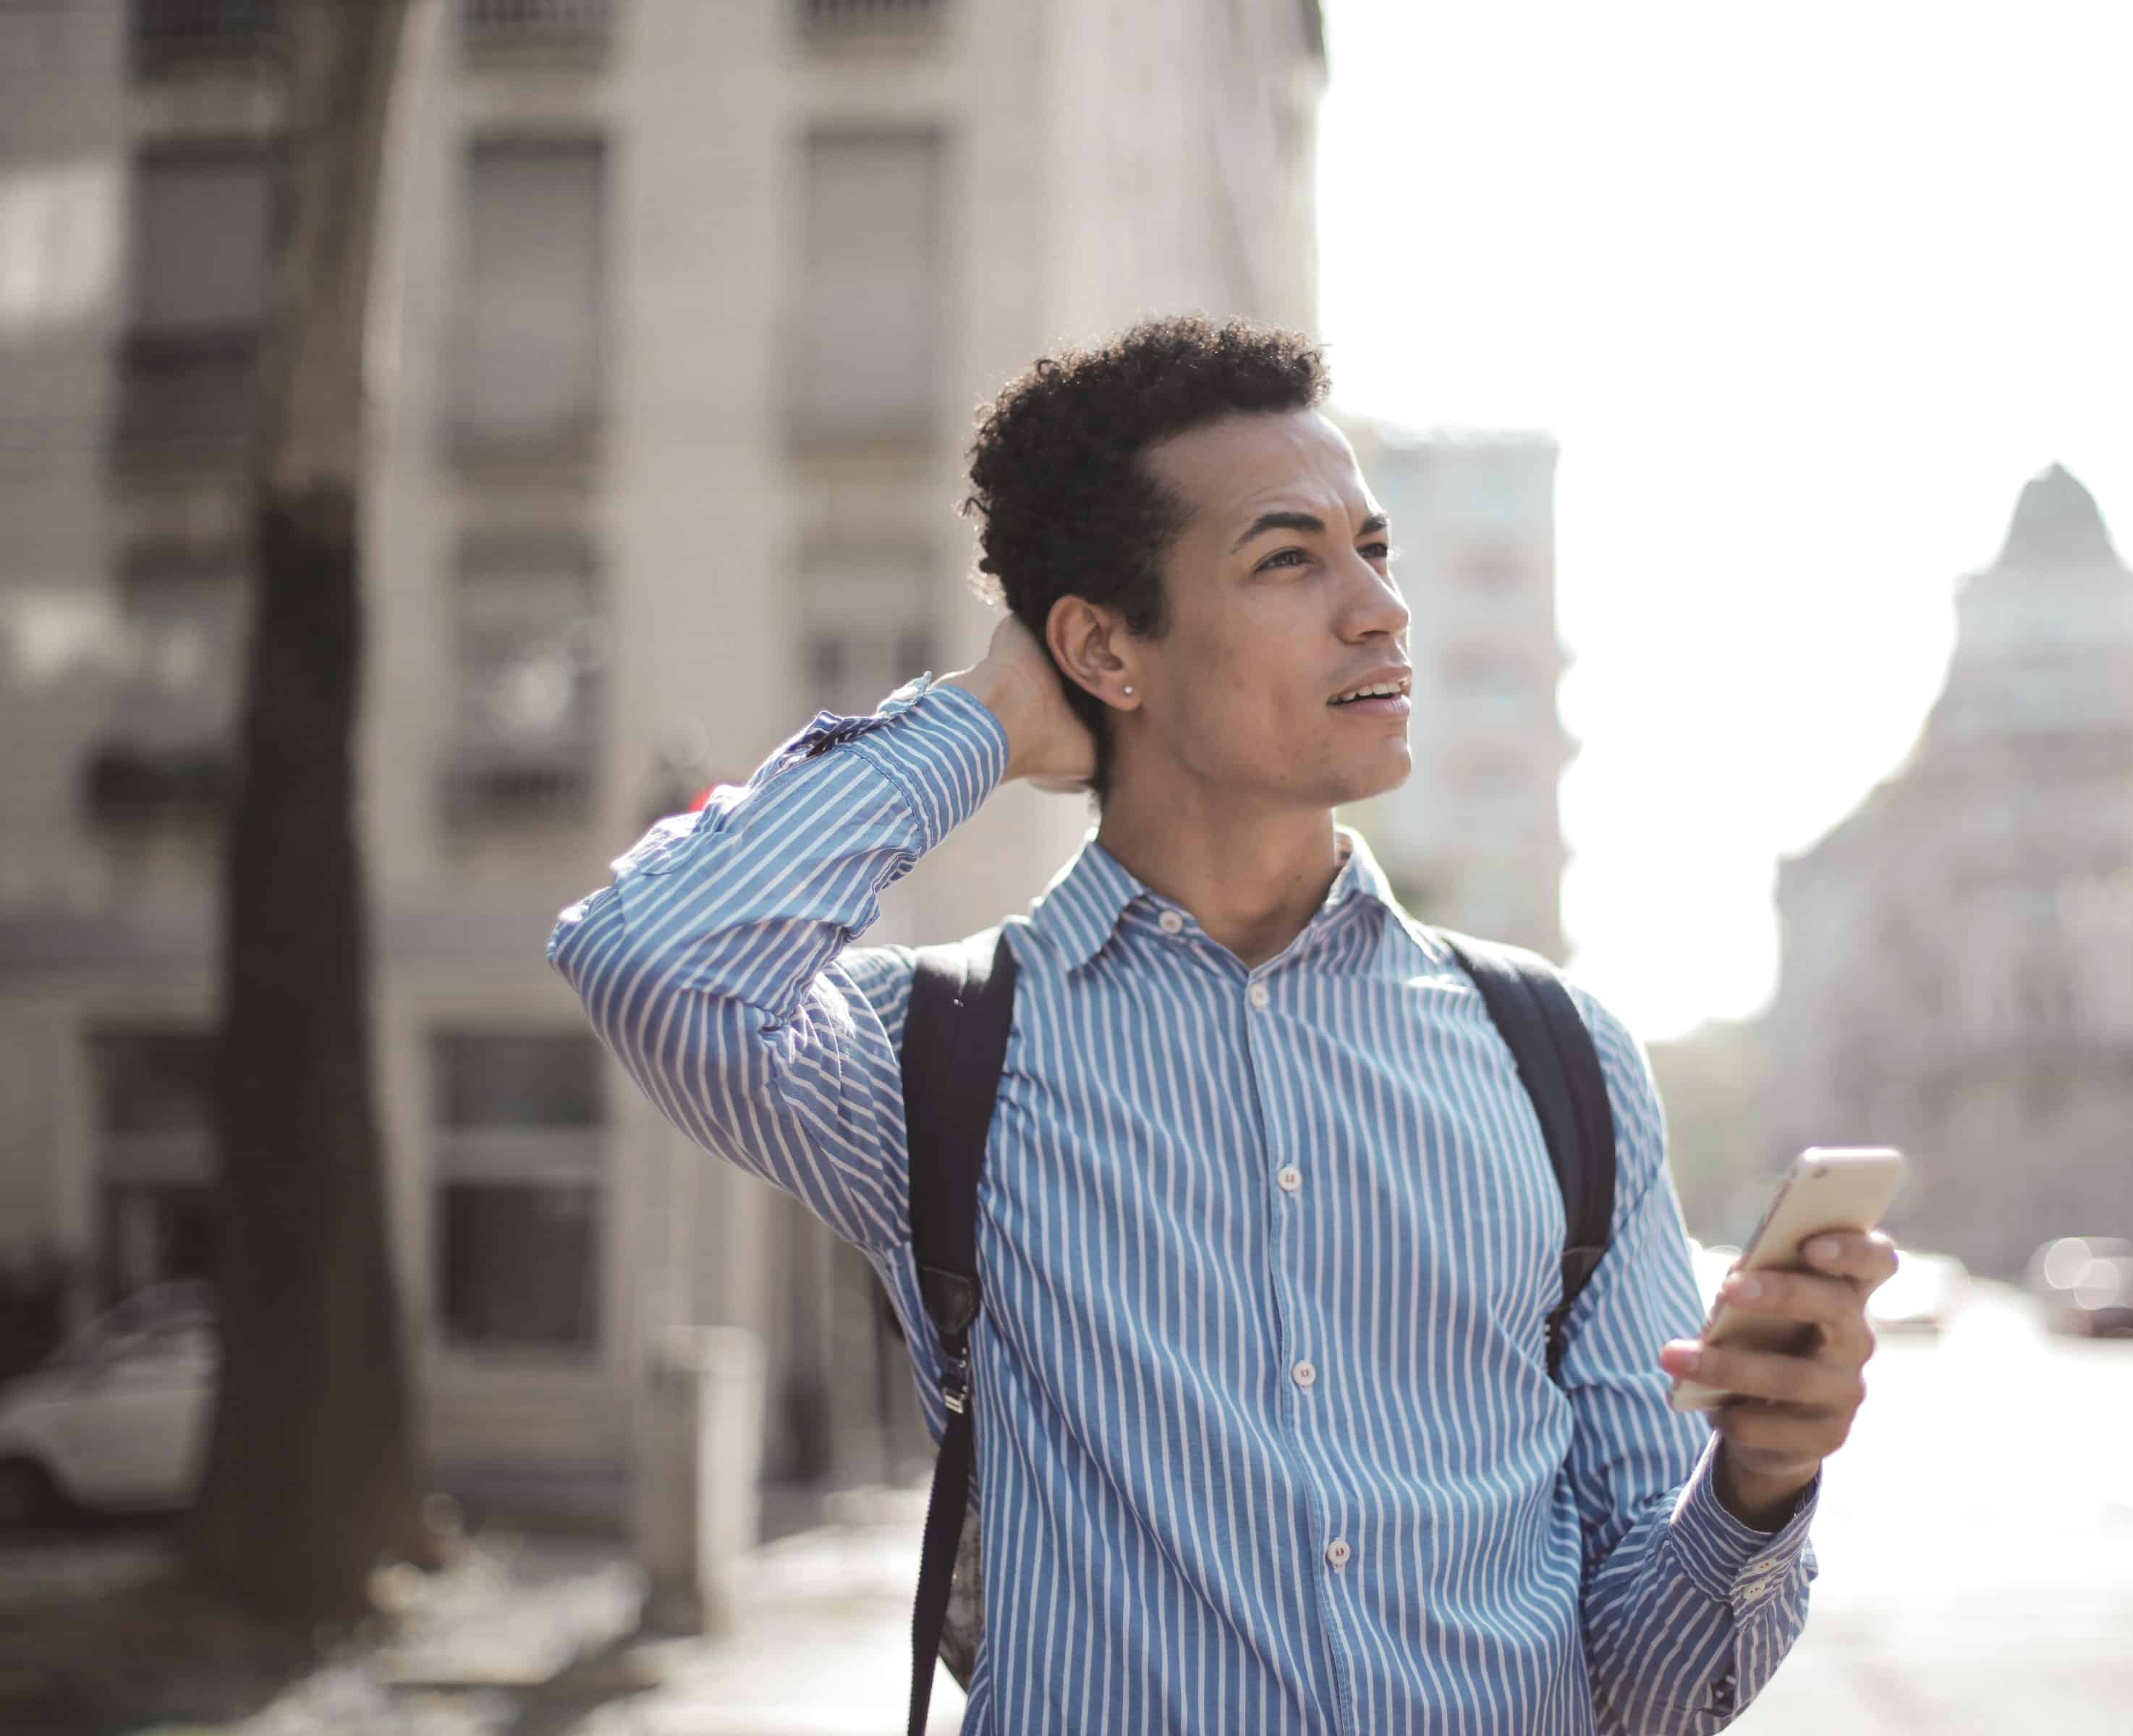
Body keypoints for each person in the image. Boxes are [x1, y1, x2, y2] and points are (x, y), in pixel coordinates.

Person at [548, 315, 1894, 1733]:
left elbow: (1649, 1697)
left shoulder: (1557, 1058)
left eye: (1372, 546)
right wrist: (993, 715)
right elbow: (655, 951)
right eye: (1289, 559)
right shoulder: (937, 1052)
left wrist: (1754, 1488)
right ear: (1106, 649)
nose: (1380, 607)